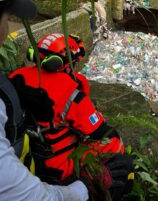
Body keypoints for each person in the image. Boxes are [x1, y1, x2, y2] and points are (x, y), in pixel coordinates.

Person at [9, 33, 134, 200]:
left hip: (23, 156)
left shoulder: (17, 75)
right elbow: (99, 131)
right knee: (113, 142)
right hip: (57, 168)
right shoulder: (69, 91)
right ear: (65, 64)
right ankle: (114, 191)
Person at [0, 0, 88, 200]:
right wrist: (82, 190)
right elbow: (28, 196)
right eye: (7, 17)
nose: (7, 29)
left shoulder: (16, 78)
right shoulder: (72, 87)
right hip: (56, 171)